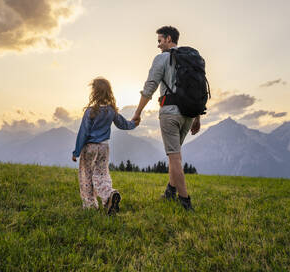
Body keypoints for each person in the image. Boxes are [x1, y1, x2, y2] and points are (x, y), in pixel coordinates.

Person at [132, 26, 201, 211]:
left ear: (169, 39)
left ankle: (185, 202)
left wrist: (138, 112)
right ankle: (170, 191)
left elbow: (150, 86)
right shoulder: (191, 59)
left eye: (160, 40)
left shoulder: (162, 58)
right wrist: (197, 117)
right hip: (188, 114)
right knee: (175, 155)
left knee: (174, 158)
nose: (158, 45)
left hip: (170, 113)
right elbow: (197, 90)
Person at [72, 77, 138, 214]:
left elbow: (83, 133)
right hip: (103, 147)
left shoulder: (90, 111)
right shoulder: (111, 111)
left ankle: (90, 205)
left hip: (89, 147)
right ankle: (109, 195)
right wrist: (134, 123)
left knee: (86, 175)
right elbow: (123, 124)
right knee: (101, 174)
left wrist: (76, 152)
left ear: (94, 92)